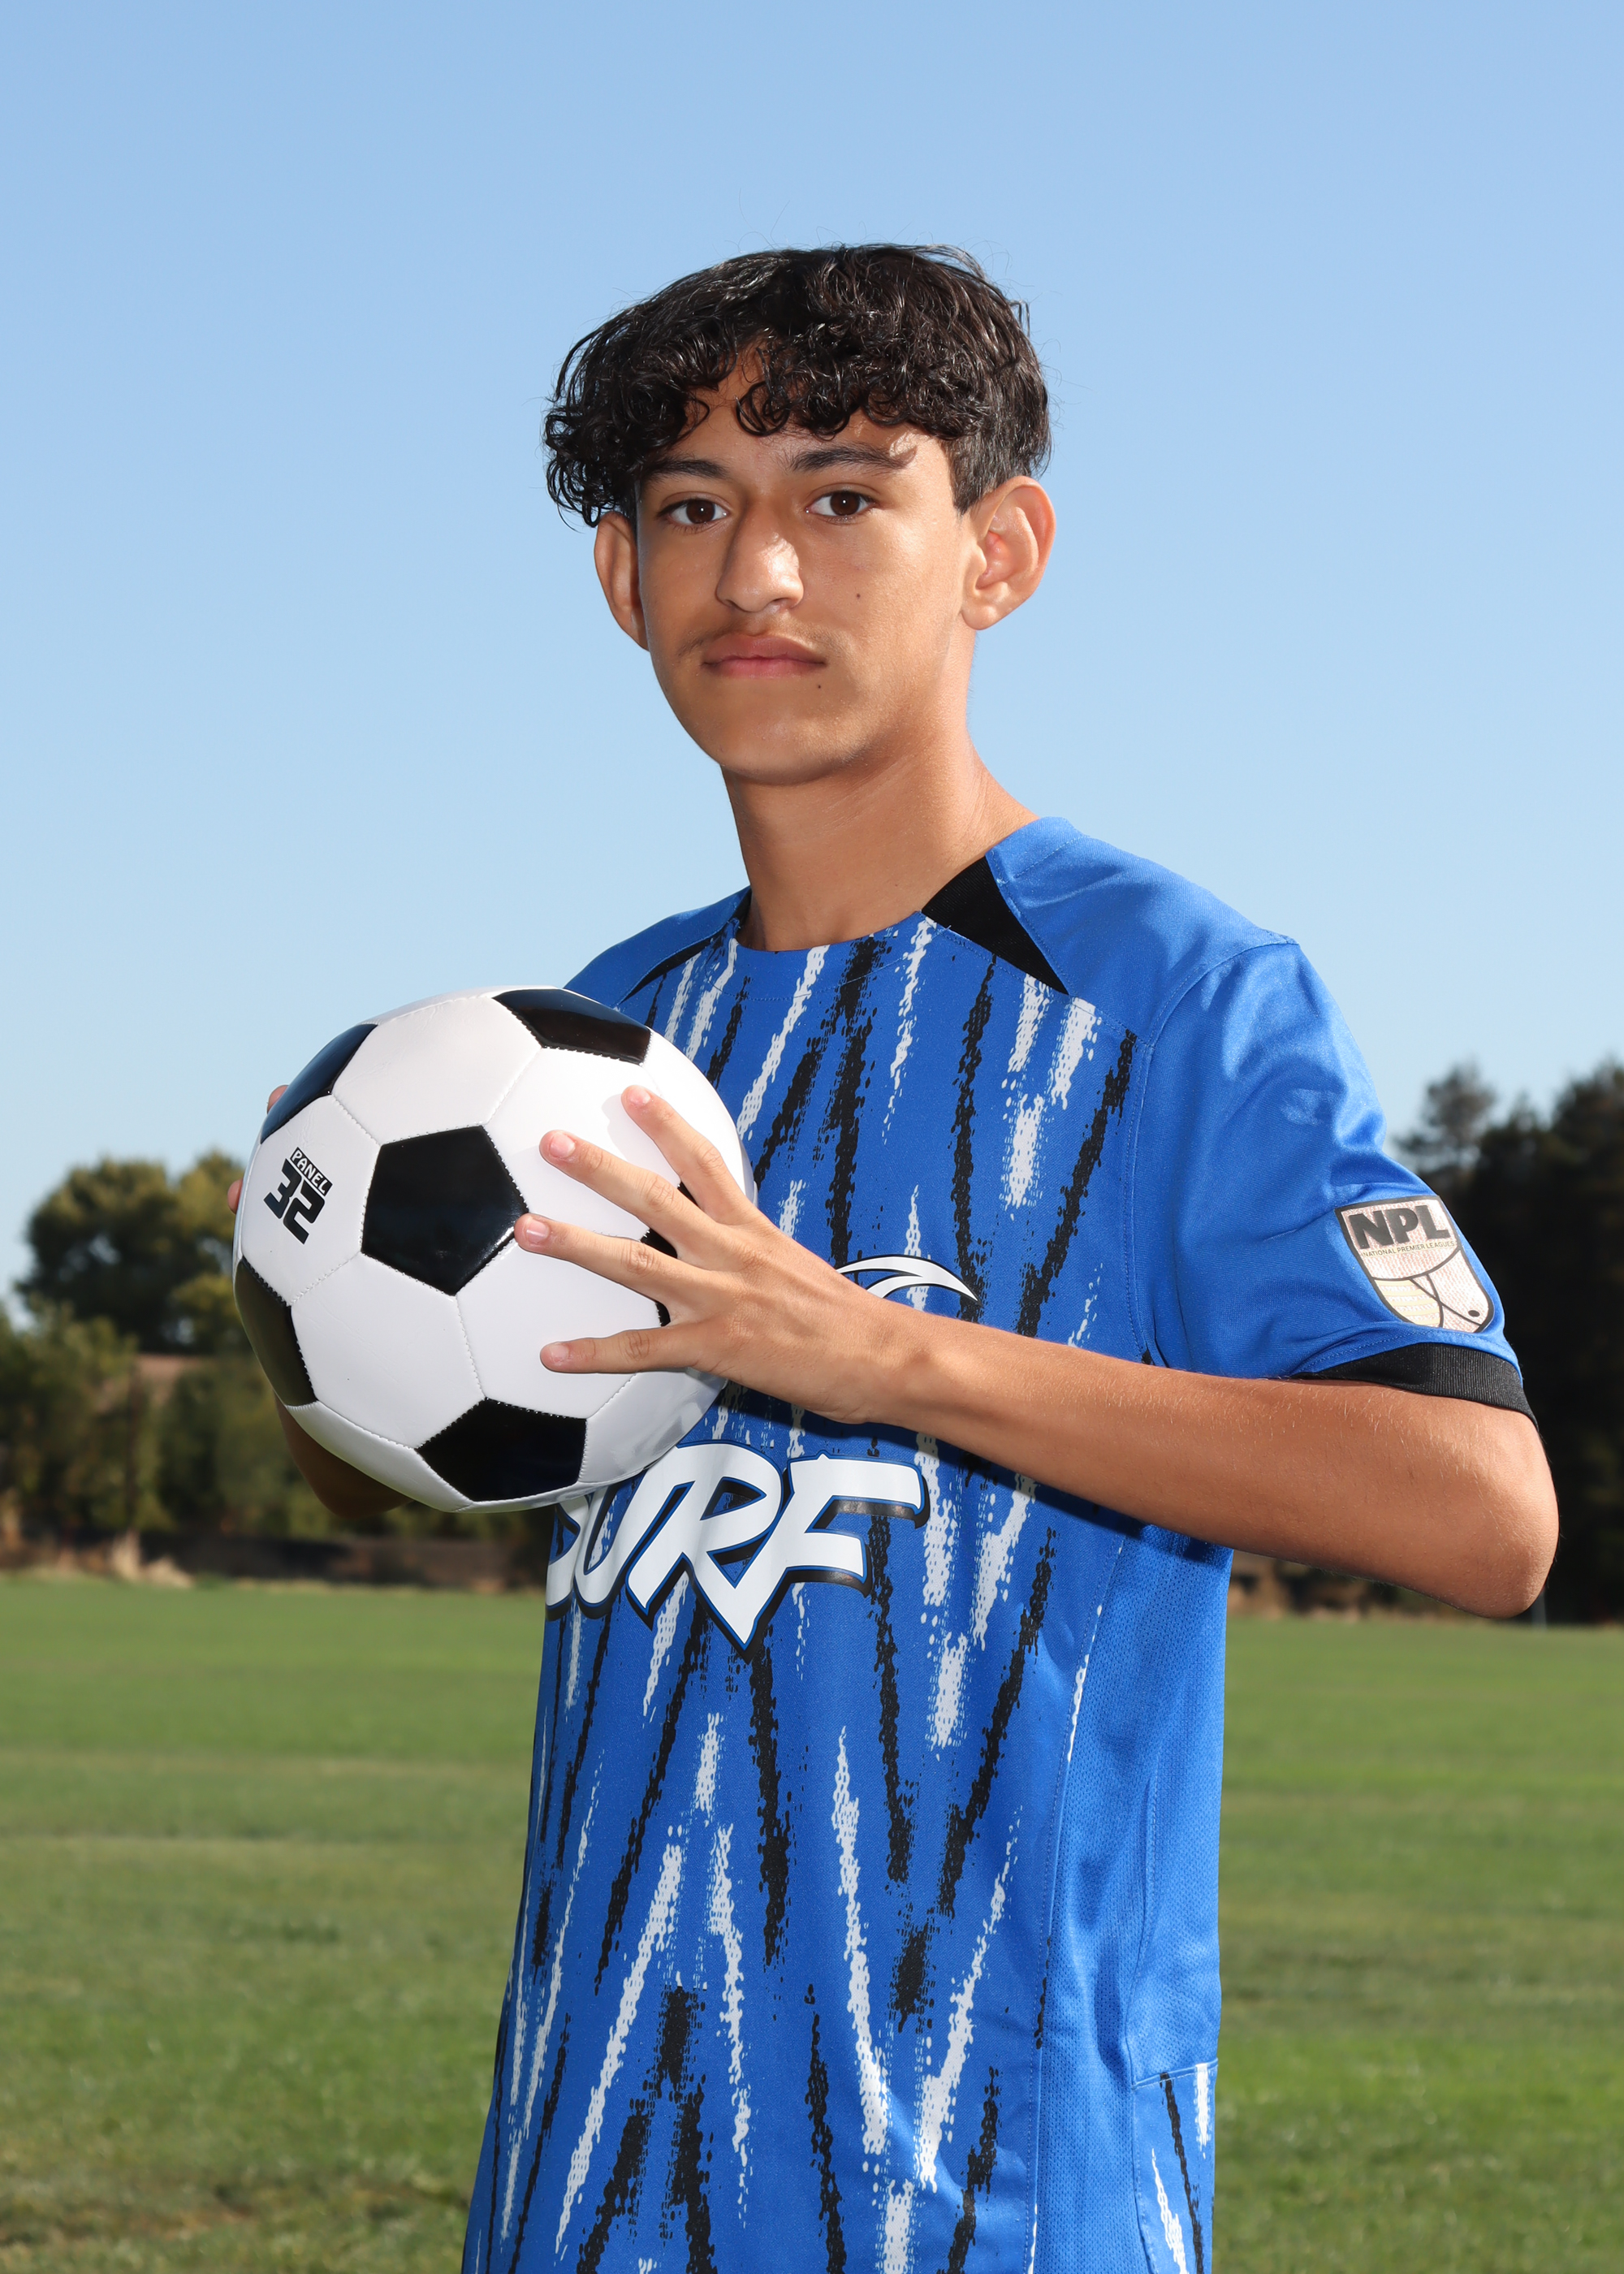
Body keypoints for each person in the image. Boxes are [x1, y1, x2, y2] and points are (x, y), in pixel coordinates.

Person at [246, 247, 1556, 2273]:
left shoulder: (1174, 994)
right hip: (584, 2174)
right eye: (694, 506)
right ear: (622, 580)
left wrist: (881, 1356)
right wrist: (316, 1290)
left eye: (844, 496)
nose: (757, 570)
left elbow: (1482, 1509)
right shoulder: (593, 1039)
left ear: (996, 553)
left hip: (996, 2188)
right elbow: (404, 1459)